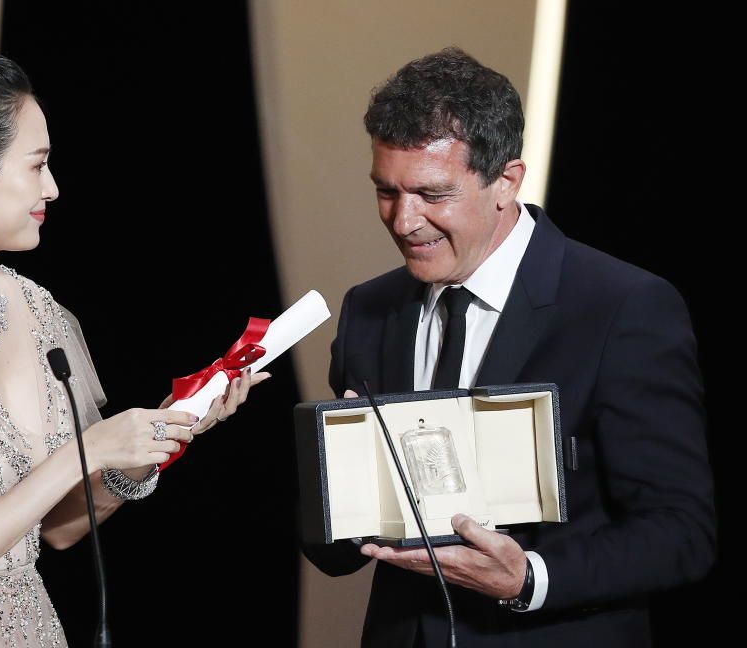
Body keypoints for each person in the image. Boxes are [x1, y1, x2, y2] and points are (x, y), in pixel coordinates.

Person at [0, 33, 268, 647]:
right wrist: (85, 451)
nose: (53, 187)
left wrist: (149, 443)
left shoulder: (35, 309)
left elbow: (58, 530)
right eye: (36, 165)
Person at [303, 47, 715, 647]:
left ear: (507, 181)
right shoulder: (370, 308)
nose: (402, 220)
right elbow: (334, 552)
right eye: (385, 191)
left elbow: (683, 533)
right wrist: (337, 479)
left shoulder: (622, 307)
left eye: (432, 194)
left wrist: (528, 578)